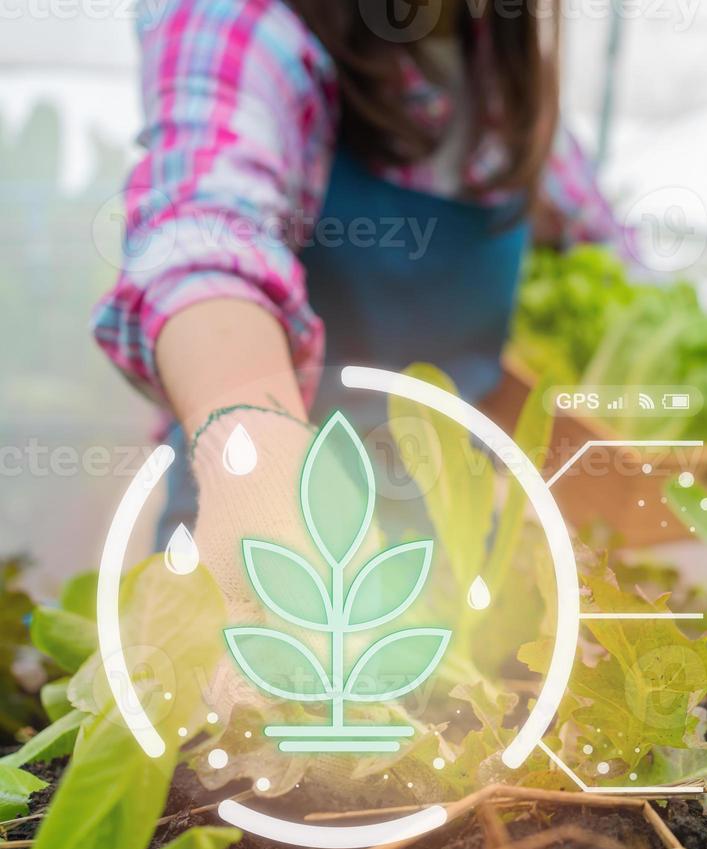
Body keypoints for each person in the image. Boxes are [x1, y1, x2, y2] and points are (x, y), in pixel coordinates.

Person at [91, 0, 626, 609]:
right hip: (263, 558)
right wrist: (261, 473)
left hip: (457, 571)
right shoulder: (247, 22)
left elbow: (605, 255)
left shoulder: (504, 78)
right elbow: (202, 236)